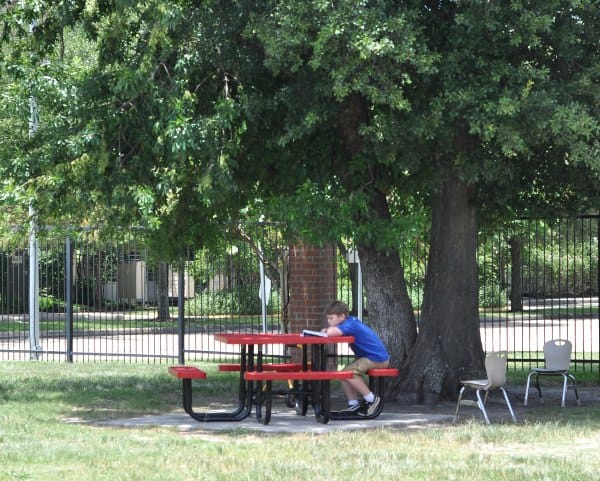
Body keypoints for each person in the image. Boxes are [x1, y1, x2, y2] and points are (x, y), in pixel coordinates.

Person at [321, 300, 390, 416]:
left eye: (331, 318)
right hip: (371, 357)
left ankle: (372, 399)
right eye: (328, 319)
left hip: (377, 358)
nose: (329, 321)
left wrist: (326, 330)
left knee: (348, 373)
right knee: (344, 374)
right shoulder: (349, 322)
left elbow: (331, 332)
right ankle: (353, 404)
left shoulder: (349, 324)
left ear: (342, 316)